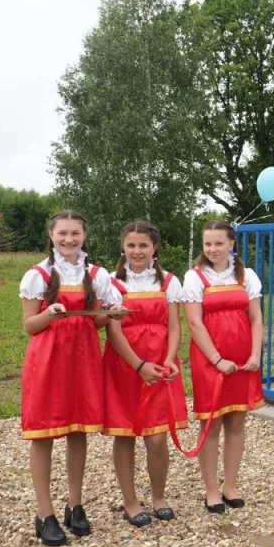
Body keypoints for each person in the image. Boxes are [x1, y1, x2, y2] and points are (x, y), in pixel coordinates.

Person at [18, 210, 122, 547]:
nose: (69, 239)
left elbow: (96, 323)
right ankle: (44, 512)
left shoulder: (96, 274)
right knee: (44, 432)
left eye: (75, 233)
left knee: (78, 430)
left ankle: (74, 504)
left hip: (83, 358)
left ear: (84, 236)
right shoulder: (38, 275)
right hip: (48, 360)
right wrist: (49, 313)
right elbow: (29, 326)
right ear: (51, 235)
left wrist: (110, 314)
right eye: (62, 233)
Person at [102, 221, 188, 527]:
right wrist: (139, 366)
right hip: (125, 365)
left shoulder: (170, 282)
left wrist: (170, 359)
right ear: (122, 248)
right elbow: (113, 331)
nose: (137, 251)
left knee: (157, 437)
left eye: (143, 245)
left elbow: (174, 326)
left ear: (155, 248)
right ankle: (130, 501)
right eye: (131, 245)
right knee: (125, 434)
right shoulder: (111, 282)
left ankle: (158, 496)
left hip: (160, 365)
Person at [182, 220, 264, 514]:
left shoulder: (247, 276)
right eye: (208, 244)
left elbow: (255, 318)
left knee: (237, 423)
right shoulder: (194, 277)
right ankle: (211, 490)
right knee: (211, 423)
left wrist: (255, 355)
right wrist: (217, 359)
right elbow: (194, 322)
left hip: (242, 360)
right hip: (210, 360)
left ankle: (230, 485)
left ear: (231, 244)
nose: (212, 249)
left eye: (218, 243)